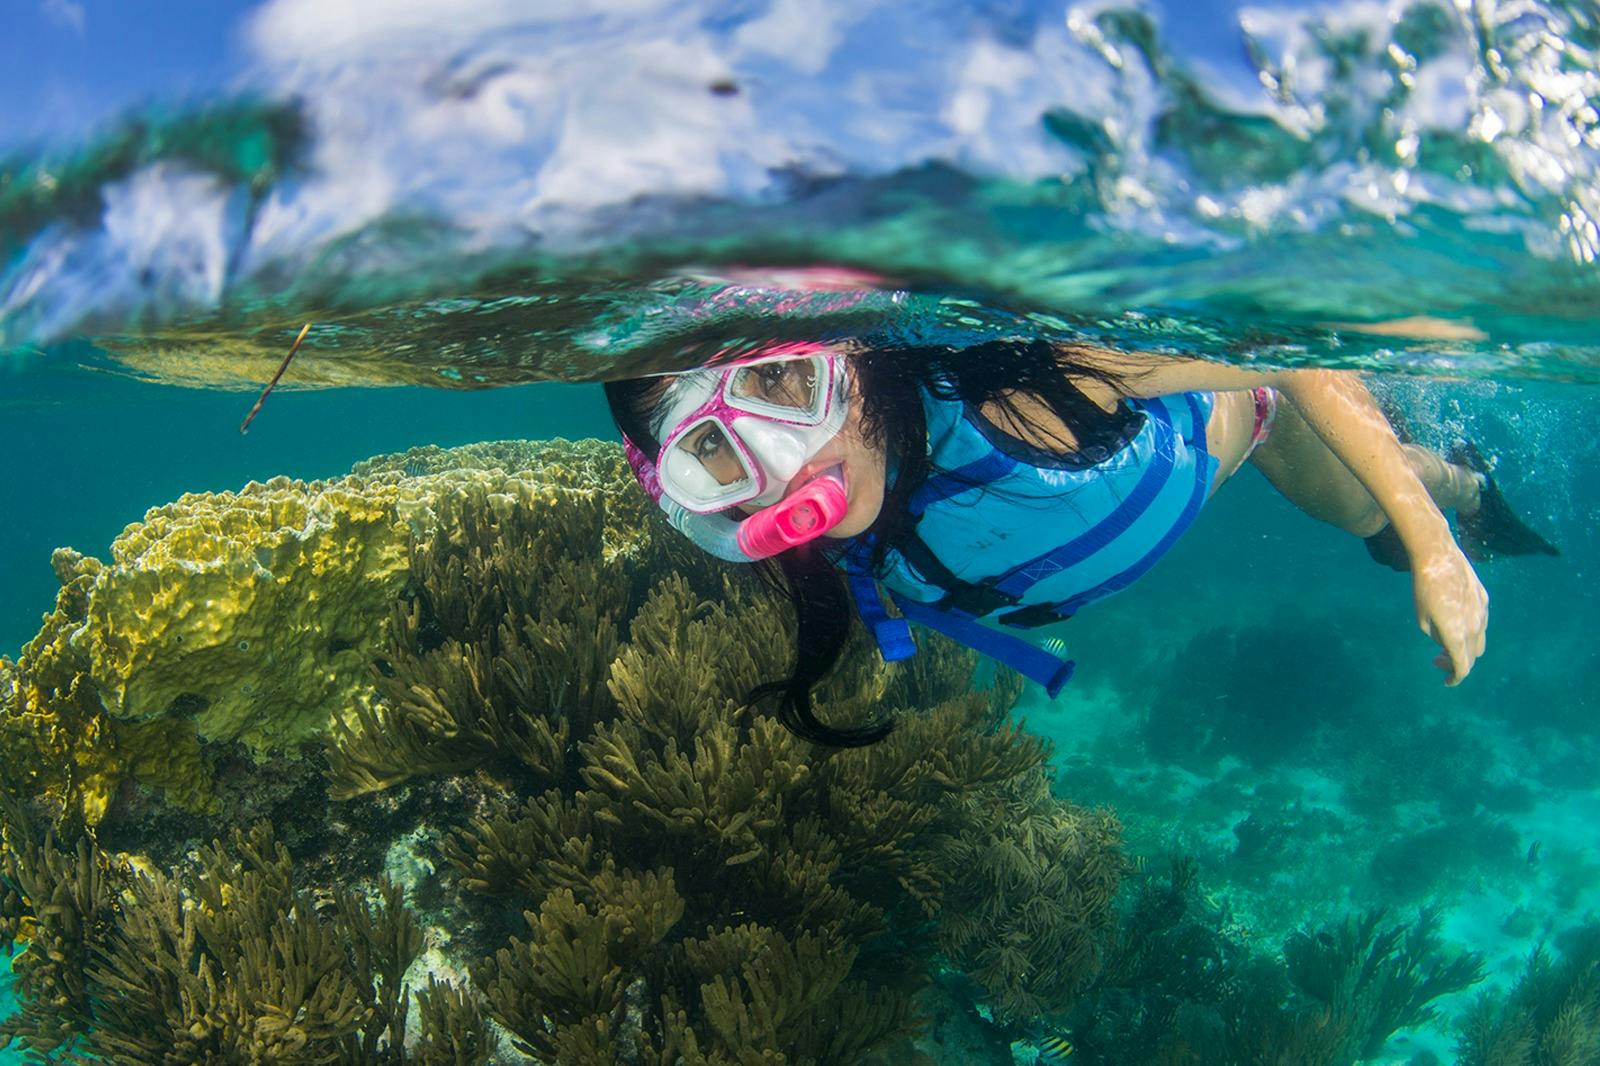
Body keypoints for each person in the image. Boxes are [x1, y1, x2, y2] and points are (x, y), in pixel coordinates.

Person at [605, 335, 1556, 746]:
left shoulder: (1015, 385)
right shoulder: (822, 546)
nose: (788, 463)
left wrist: (1434, 546)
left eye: (784, 389)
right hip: (1150, 506)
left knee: (1376, 510)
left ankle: (1466, 486)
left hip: (1250, 420)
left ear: (848, 356)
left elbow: (1291, 351)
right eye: (716, 455)